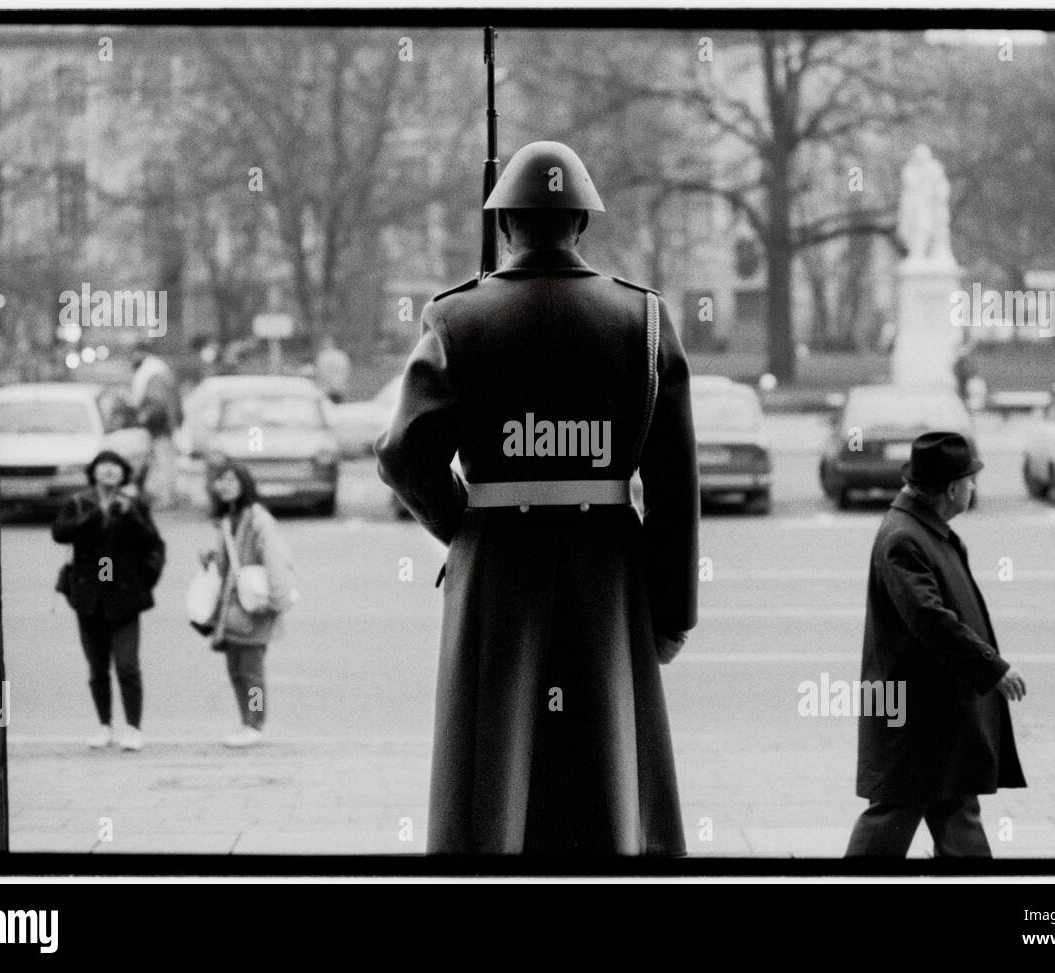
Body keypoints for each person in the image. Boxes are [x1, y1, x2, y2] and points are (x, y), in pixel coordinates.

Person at [376, 140, 700, 855]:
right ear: (581, 222)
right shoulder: (643, 321)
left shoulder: (456, 318)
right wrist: (672, 612)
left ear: (506, 225)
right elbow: (675, 486)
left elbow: (403, 455)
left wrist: (464, 524)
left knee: (494, 771)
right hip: (609, 571)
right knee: (606, 774)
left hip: (498, 570)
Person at [846, 432, 1027, 857]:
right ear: (951, 489)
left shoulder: (925, 531)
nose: (974, 489)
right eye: (970, 481)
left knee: (953, 811)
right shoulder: (905, 539)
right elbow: (929, 619)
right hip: (916, 717)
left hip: (938, 714)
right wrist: (993, 667)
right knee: (893, 814)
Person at [52, 450, 166, 751]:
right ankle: (104, 725)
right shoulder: (78, 503)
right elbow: (60, 533)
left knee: (127, 666)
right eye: (103, 467)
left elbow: (152, 544)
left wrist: (128, 515)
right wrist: (95, 513)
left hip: (124, 597)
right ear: (93, 472)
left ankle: (133, 727)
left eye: (116, 468)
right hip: (88, 597)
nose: (109, 472)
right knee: (97, 668)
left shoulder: (133, 505)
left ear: (124, 474)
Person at [200, 459, 296, 748]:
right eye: (220, 480)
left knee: (251, 672)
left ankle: (255, 724)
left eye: (232, 480)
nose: (225, 486)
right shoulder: (229, 518)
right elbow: (228, 562)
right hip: (232, 607)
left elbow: (276, 559)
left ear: (244, 484)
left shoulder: (256, 519)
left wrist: (277, 600)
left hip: (254, 605)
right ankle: (247, 722)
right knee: (236, 671)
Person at [130, 349, 183, 508]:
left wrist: (145, 416)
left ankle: (166, 498)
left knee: (163, 462)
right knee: (159, 462)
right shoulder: (157, 371)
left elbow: (158, 403)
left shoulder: (153, 374)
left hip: (159, 427)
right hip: (160, 427)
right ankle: (162, 496)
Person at [314, 335, 352, 404]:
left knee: (327, 409)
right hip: (340, 387)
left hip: (327, 389)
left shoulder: (323, 356)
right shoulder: (342, 355)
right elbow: (346, 370)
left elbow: (322, 372)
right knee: (339, 409)